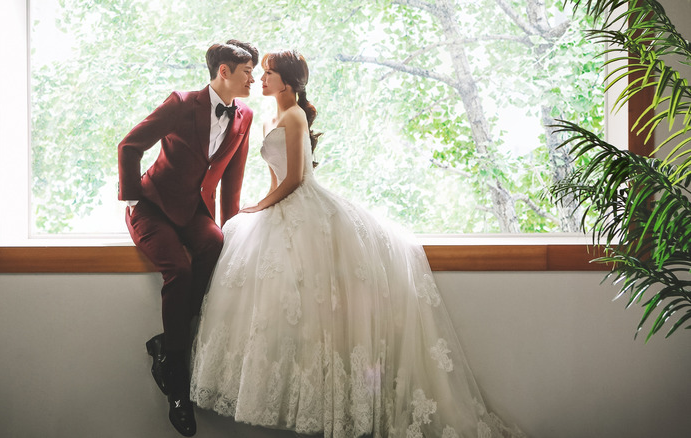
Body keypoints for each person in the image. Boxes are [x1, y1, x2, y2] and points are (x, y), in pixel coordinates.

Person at [190, 50, 526, 438]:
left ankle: (337, 401)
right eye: (261, 73)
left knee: (322, 305)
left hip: (305, 205)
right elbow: (274, 178)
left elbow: (297, 178)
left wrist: (261, 205)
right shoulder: (268, 117)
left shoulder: (295, 116)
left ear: (287, 81)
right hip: (281, 204)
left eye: (268, 73)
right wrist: (259, 208)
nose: (260, 79)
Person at [117, 39, 258, 437]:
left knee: (214, 246)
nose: (253, 77)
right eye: (247, 70)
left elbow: (233, 179)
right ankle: (176, 378)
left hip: (194, 212)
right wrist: (131, 198)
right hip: (152, 205)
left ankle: (167, 342)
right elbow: (129, 145)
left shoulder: (243, 115)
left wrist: (230, 228)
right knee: (178, 268)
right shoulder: (181, 103)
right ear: (224, 71)